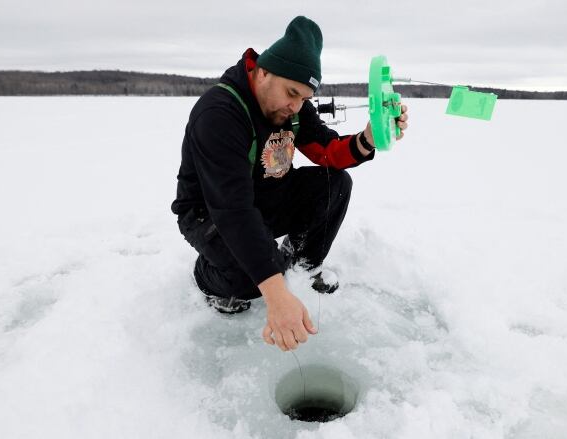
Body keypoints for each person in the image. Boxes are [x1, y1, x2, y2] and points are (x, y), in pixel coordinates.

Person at [171, 16, 409, 352]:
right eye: (292, 93)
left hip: (267, 196)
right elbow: (233, 209)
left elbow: (327, 152)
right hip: (209, 212)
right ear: (263, 72)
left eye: (304, 97)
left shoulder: (293, 109)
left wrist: (368, 139)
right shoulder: (220, 113)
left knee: (336, 184)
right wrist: (274, 291)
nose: (296, 106)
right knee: (250, 281)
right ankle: (209, 277)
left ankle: (300, 268)